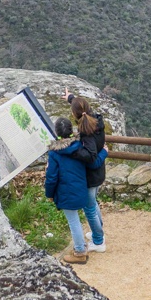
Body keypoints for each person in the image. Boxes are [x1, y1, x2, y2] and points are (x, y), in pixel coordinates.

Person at [44, 116, 106, 265]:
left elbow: (51, 177)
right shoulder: (80, 147)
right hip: (81, 190)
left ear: (56, 133)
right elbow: (92, 164)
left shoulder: (54, 153)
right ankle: (96, 237)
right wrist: (104, 153)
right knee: (82, 216)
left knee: (73, 221)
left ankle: (79, 252)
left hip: (65, 193)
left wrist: (49, 194)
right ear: (72, 131)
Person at [65, 89, 107, 253]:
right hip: (99, 173)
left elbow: (91, 158)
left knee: (89, 208)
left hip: (91, 175)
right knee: (93, 203)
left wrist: (74, 150)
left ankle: (98, 241)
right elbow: (82, 108)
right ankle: (99, 232)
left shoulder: (86, 132)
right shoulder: (97, 120)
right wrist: (71, 98)